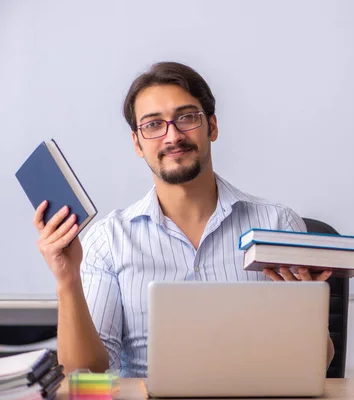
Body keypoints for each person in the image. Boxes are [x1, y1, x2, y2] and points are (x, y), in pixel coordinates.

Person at [33, 61, 335, 377]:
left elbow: (315, 364)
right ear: (137, 143)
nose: (172, 136)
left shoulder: (278, 224)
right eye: (152, 125)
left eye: (186, 118)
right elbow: (85, 374)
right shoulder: (108, 240)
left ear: (212, 127)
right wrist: (67, 280)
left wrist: (308, 313)